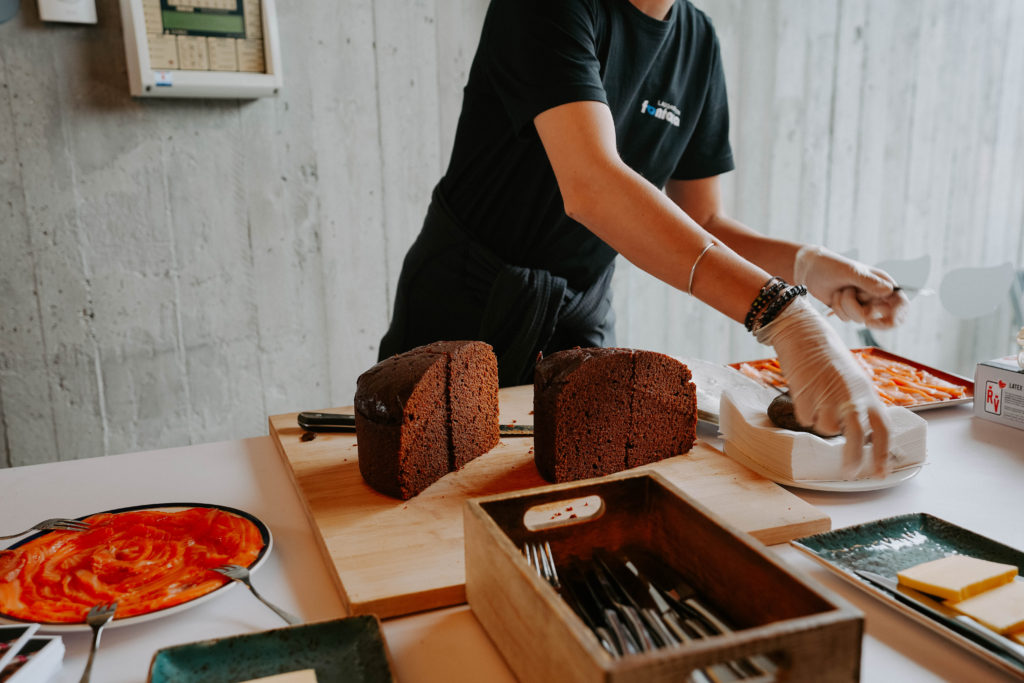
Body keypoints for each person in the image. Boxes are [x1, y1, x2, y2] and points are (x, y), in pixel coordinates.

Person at [378, 0, 909, 476]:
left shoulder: (697, 39)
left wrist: (808, 268)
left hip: (575, 327)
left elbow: (703, 222)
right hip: (464, 312)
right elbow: (591, 184)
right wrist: (785, 317)